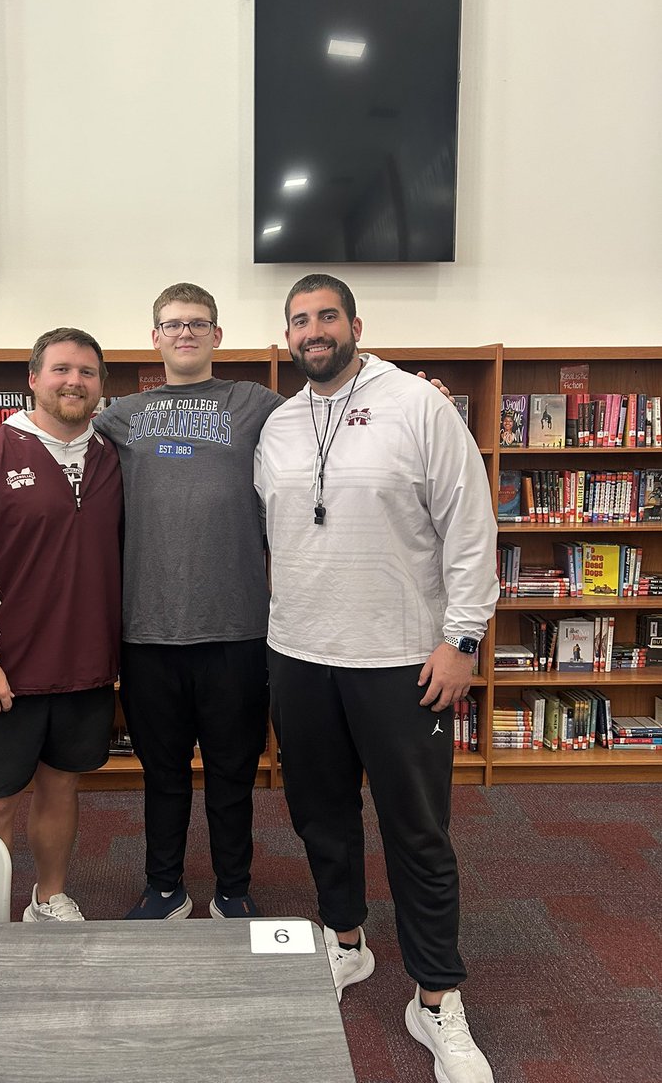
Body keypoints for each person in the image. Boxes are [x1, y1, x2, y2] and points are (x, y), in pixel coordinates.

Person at [0, 285, 281, 920]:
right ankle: (164, 888)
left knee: (233, 774)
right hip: (146, 635)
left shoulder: (256, 403)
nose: (185, 333)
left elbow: (325, 420)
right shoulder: (117, 416)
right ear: (154, 338)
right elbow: (44, 430)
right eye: (172, 324)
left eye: (198, 323)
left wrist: (410, 393)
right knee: (162, 774)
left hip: (236, 629)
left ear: (216, 335)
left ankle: (233, 890)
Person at [254, 274, 499, 1083]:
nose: (313, 331)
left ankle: (436, 999)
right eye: (300, 320)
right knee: (320, 816)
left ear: (356, 325)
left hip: (402, 661)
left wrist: (463, 638)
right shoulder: (278, 425)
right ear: (288, 336)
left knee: (418, 833)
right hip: (299, 654)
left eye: (327, 316)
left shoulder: (419, 406)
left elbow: (470, 526)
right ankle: (345, 940)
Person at [0, 327, 122, 923]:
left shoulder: (115, 456)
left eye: (87, 372)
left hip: (85, 670)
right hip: (3, 673)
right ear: (33, 379)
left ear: (101, 386)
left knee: (62, 787)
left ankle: (49, 898)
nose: (74, 381)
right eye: (61, 369)